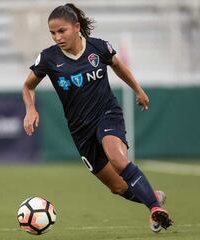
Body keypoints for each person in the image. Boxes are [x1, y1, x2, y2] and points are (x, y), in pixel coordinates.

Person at [22, 3, 173, 232]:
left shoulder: (98, 47)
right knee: (117, 187)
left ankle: (153, 208)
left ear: (76, 27)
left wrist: (138, 89)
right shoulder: (48, 58)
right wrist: (30, 109)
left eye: (61, 31)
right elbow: (27, 86)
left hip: (107, 113)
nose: (57, 37)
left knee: (118, 159)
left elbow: (118, 66)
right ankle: (153, 198)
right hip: (80, 130)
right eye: (53, 33)